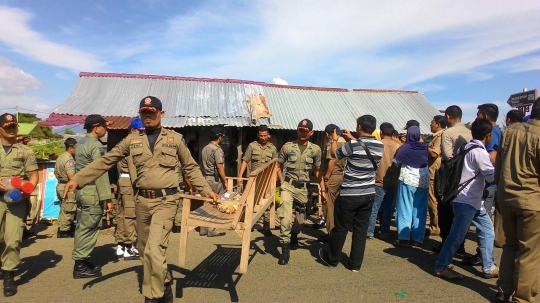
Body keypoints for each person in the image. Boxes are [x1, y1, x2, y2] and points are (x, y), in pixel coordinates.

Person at [64, 96, 219, 303]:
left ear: (161, 114)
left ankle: (152, 296)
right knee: (146, 251)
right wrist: (78, 179)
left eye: (152, 112)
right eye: (144, 112)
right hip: (142, 202)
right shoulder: (132, 140)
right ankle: (164, 287)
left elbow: (190, 167)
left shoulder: (175, 139)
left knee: (155, 249)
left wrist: (206, 191)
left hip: (166, 201)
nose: (148, 116)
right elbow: (106, 160)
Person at [434, 118, 498, 280]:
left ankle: (488, 266)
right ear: (488, 135)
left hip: (471, 200)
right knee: (457, 236)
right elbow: (491, 176)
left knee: (487, 231)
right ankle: (441, 266)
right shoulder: (479, 152)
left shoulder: (466, 147)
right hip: (467, 200)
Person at [319, 115, 383, 272]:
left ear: (359, 126)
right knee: (360, 230)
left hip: (350, 194)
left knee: (341, 228)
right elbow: (362, 147)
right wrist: (351, 138)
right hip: (368, 193)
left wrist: (335, 139)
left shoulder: (353, 145)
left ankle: (332, 259)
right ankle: (355, 265)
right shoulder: (379, 146)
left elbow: (335, 154)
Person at [495, 97, 540, 303]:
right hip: (532, 200)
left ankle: (505, 290)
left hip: (506, 197)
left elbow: (498, 165)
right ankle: (522, 297)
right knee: (529, 252)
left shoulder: (509, 131)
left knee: (510, 245)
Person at [276, 119, 325, 265]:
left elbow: (317, 171)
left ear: (311, 132)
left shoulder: (315, 150)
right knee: (284, 216)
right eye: (300, 130)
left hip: (303, 188)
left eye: (305, 131)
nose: (302, 133)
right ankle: (285, 250)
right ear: (297, 130)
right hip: (288, 186)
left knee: (300, 219)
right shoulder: (287, 147)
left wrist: (322, 189)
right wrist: (281, 182)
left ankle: (294, 234)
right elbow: (278, 165)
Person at [0, 113, 39, 297]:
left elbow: (33, 176)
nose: (12, 129)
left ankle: (9, 275)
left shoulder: (25, 151)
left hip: (17, 200)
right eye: (7, 126)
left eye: (14, 126)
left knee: (13, 238)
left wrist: (25, 193)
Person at [71, 114, 114, 279]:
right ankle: (80, 264)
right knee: (89, 227)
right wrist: (107, 197)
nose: (105, 130)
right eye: (104, 127)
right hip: (92, 191)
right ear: (97, 127)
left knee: (82, 225)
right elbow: (100, 172)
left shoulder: (80, 144)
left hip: (82, 190)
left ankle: (82, 260)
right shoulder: (96, 146)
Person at [463, 104, 501, 267]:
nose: (475, 117)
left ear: (485, 116)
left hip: (487, 184)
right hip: (482, 185)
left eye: (478, 114)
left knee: (484, 225)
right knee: (483, 225)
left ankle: (484, 256)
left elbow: (492, 157)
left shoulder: (493, 133)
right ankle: (486, 259)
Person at [434, 105, 472, 253]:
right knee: (461, 211)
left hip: (451, 175)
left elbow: (448, 155)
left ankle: (445, 242)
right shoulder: (470, 132)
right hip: (468, 175)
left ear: (448, 117)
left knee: (445, 208)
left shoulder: (448, 132)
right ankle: (460, 243)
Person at [392, 126, 429, 247]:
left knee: (404, 208)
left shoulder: (405, 147)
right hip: (423, 181)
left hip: (407, 180)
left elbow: (396, 164)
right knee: (420, 210)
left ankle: (404, 238)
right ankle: (418, 239)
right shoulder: (425, 147)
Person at [237, 125, 277, 237]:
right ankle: (250, 223)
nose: (263, 138)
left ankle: (266, 226)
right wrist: (240, 176)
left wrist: (277, 178)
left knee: (266, 201)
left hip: (267, 180)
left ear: (268, 135)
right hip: (253, 179)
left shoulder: (272, 148)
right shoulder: (252, 146)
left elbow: (276, 165)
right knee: (250, 201)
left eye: (265, 135)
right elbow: (245, 160)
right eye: (261, 135)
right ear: (257, 135)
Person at [115, 118, 144, 260]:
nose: (143, 134)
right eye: (141, 131)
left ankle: (120, 244)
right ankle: (129, 246)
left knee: (121, 213)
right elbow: (134, 170)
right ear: (133, 130)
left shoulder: (122, 143)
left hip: (122, 180)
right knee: (130, 214)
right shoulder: (132, 145)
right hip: (130, 181)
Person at [367, 122, 400, 239]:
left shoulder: (377, 145)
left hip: (378, 181)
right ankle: (384, 231)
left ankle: (369, 231)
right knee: (388, 207)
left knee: (374, 207)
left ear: (381, 132)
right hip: (393, 181)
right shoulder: (398, 146)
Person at [319, 124, 346, 242]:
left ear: (327, 134)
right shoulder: (344, 142)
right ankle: (334, 232)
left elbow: (332, 161)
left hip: (332, 176)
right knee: (335, 206)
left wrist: (326, 178)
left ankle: (331, 234)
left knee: (327, 205)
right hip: (341, 175)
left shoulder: (331, 143)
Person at [200, 127, 228, 237]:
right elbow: (219, 166)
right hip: (215, 179)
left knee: (206, 202)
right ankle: (212, 229)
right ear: (219, 137)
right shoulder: (217, 149)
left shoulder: (205, 148)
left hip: (206, 177)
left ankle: (203, 228)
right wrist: (225, 180)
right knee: (216, 202)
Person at [54, 137, 77, 238]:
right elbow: (71, 176)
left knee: (64, 208)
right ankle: (64, 231)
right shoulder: (69, 160)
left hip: (60, 185)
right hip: (67, 186)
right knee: (69, 209)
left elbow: (55, 172)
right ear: (71, 147)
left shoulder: (60, 157)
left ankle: (62, 228)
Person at [427, 116, 446, 236]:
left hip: (435, 172)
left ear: (438, 124)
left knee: (433, 200)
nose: (430, 125)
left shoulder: (440, 136)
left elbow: (434, 153)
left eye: (432, 123)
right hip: (438, 171)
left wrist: (424, 146)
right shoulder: (440, 135)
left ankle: (435, 227)